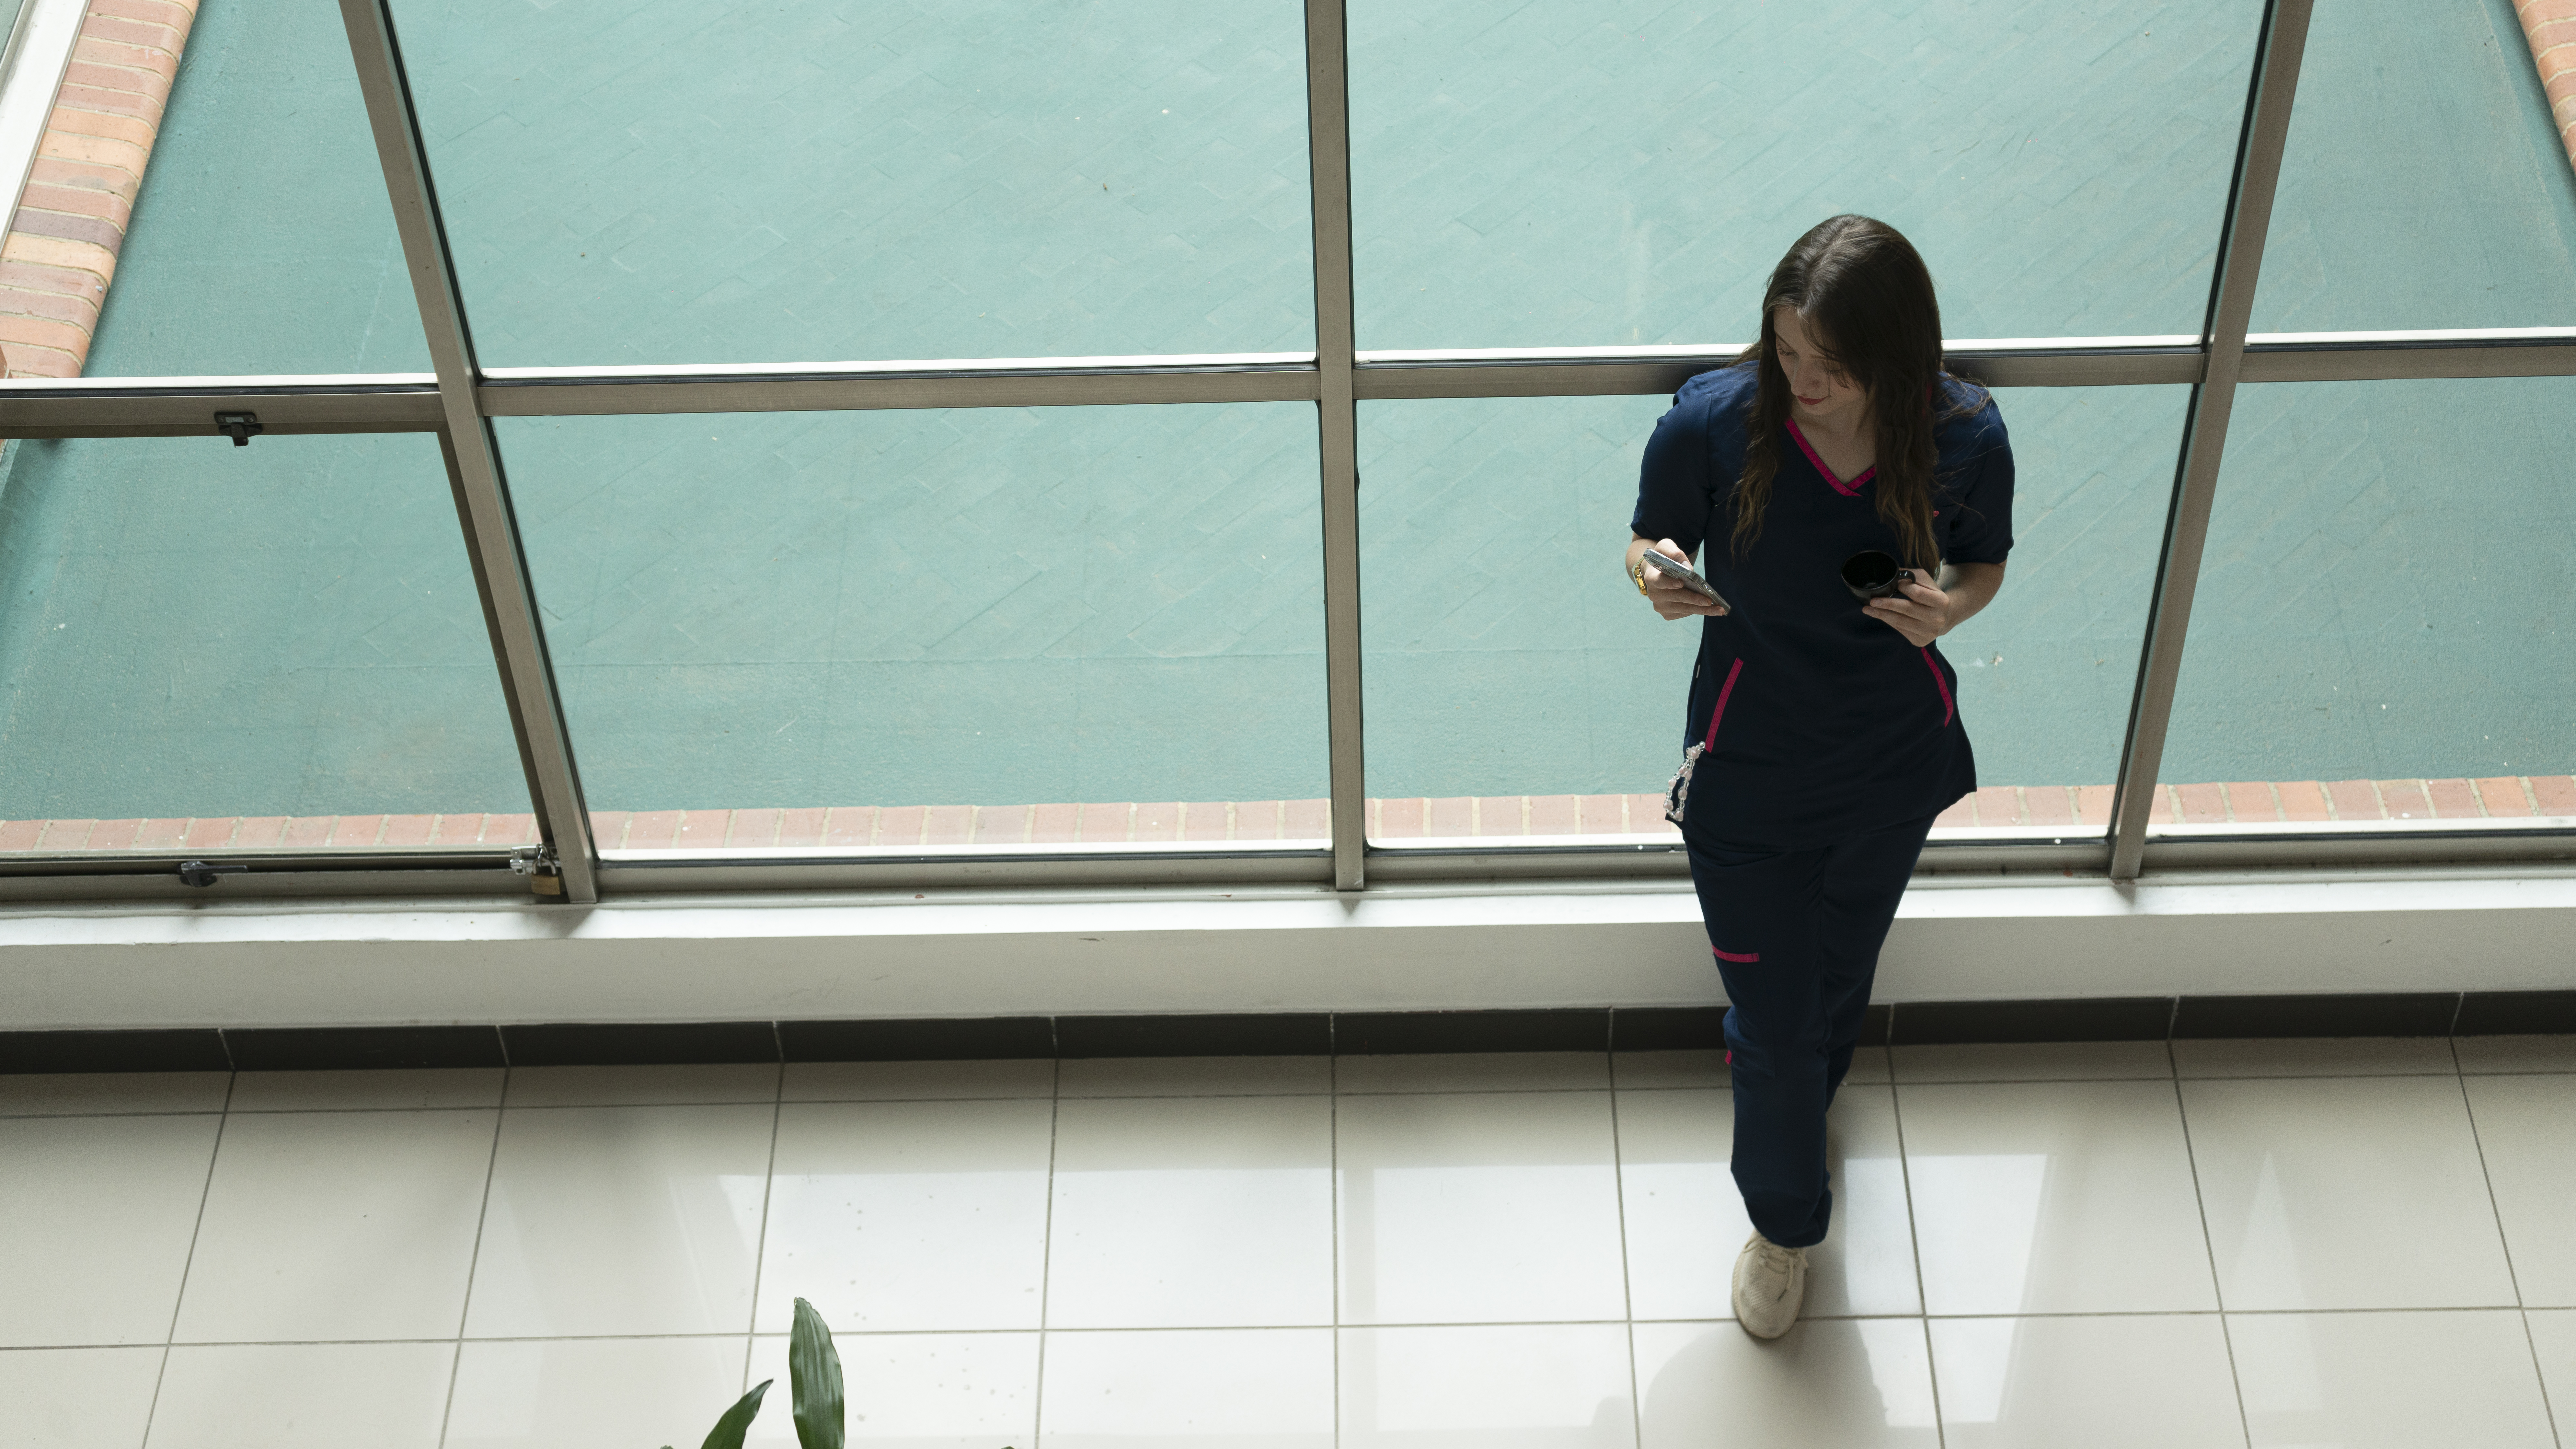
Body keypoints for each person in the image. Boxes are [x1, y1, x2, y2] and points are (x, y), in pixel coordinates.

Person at [1624, 214, 2013, 1340]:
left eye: (1829, 367)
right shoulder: (1714, 422)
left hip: (1894, 761)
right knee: (1775, 1023)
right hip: (1747, 773)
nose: (1800, 382)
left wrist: (1953, 607)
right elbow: (1648, 537)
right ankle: (1786, 1224)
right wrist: (1657, 575)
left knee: (1842, 975)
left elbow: (1981, 563)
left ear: (1896, 359)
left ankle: (1801, 1114)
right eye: (1786, 352)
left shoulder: (1964, 433)